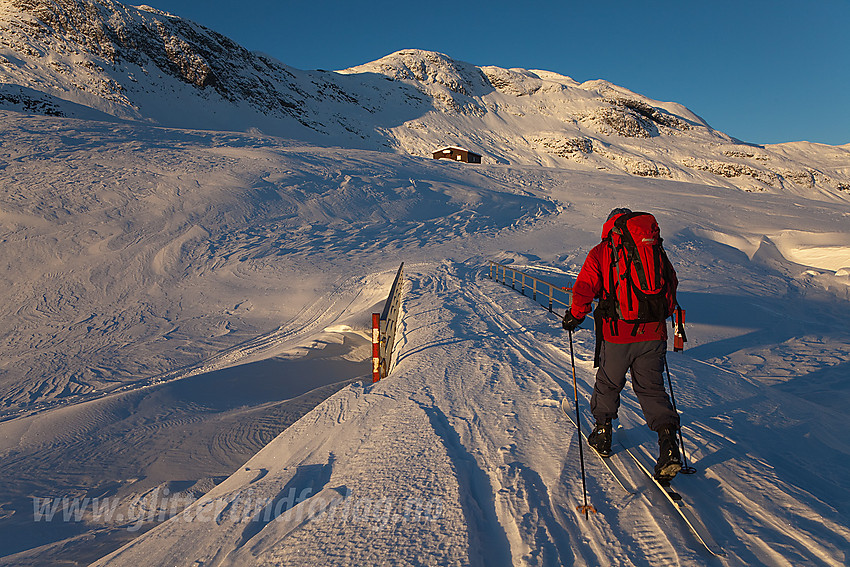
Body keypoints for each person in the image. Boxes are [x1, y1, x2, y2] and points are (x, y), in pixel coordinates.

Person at [562, 207, 683, 481]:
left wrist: (574, 316)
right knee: (652, 390)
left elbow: (584, 289)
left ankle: (603, 433)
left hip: (618, 333)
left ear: (610, 226)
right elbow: (671, 285)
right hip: (654, 333)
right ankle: (668, 445)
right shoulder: (655, 250)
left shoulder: (602, 252)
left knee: (608, 382)